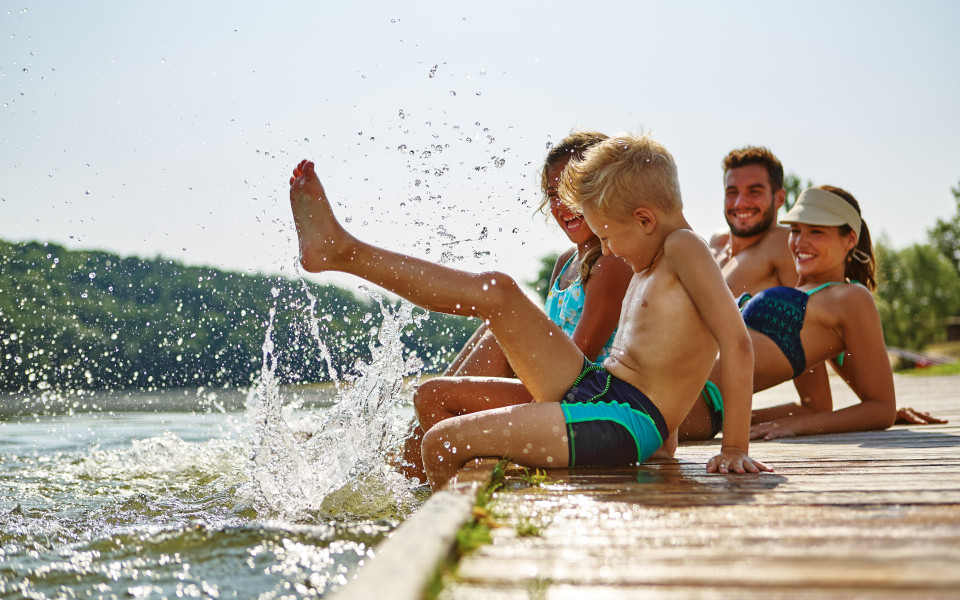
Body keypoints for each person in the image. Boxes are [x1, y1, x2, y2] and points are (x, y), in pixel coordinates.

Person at [288, 133, 772, 491]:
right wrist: (666, 444)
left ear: (644, 218)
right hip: (602, 389)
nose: (607, 248)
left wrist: (733, 450)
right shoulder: (654, 256)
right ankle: (342, 252)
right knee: (499, 291)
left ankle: (442, 556)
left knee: (441, 442)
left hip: (622, 419)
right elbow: (664, 354)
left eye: (608, 235)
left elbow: (735, 342)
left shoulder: (685, 248)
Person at [398, 132, 634, 482]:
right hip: (554, 388)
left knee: (433, 395)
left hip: (583, 403)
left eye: (574, 190)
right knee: (492, 332)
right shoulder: (566, 262)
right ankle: (405, 489)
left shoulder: (610, 263)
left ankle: (437, 508)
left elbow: (577, 369)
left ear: (605, 190)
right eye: (553, 194)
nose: (562, 204)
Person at [682, 186, 898, 441]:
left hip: (688, 403)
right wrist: (755, 421)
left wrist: (796, 427)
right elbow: (814, 405)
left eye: (816, 232)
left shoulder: (851, 298)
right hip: (683, 392)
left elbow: (882, 409)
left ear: (850, 239)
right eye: (795, 230)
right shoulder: (806, 299)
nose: (800, 242)